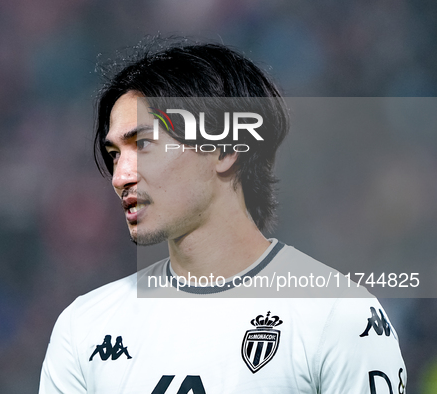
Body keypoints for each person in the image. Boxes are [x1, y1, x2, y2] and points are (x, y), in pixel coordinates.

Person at [39, 38, 407, 393]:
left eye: (144, 144)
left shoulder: (339, 316)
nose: (121, 177)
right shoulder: (83, 328)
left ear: (226, 149)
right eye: (115, 154)